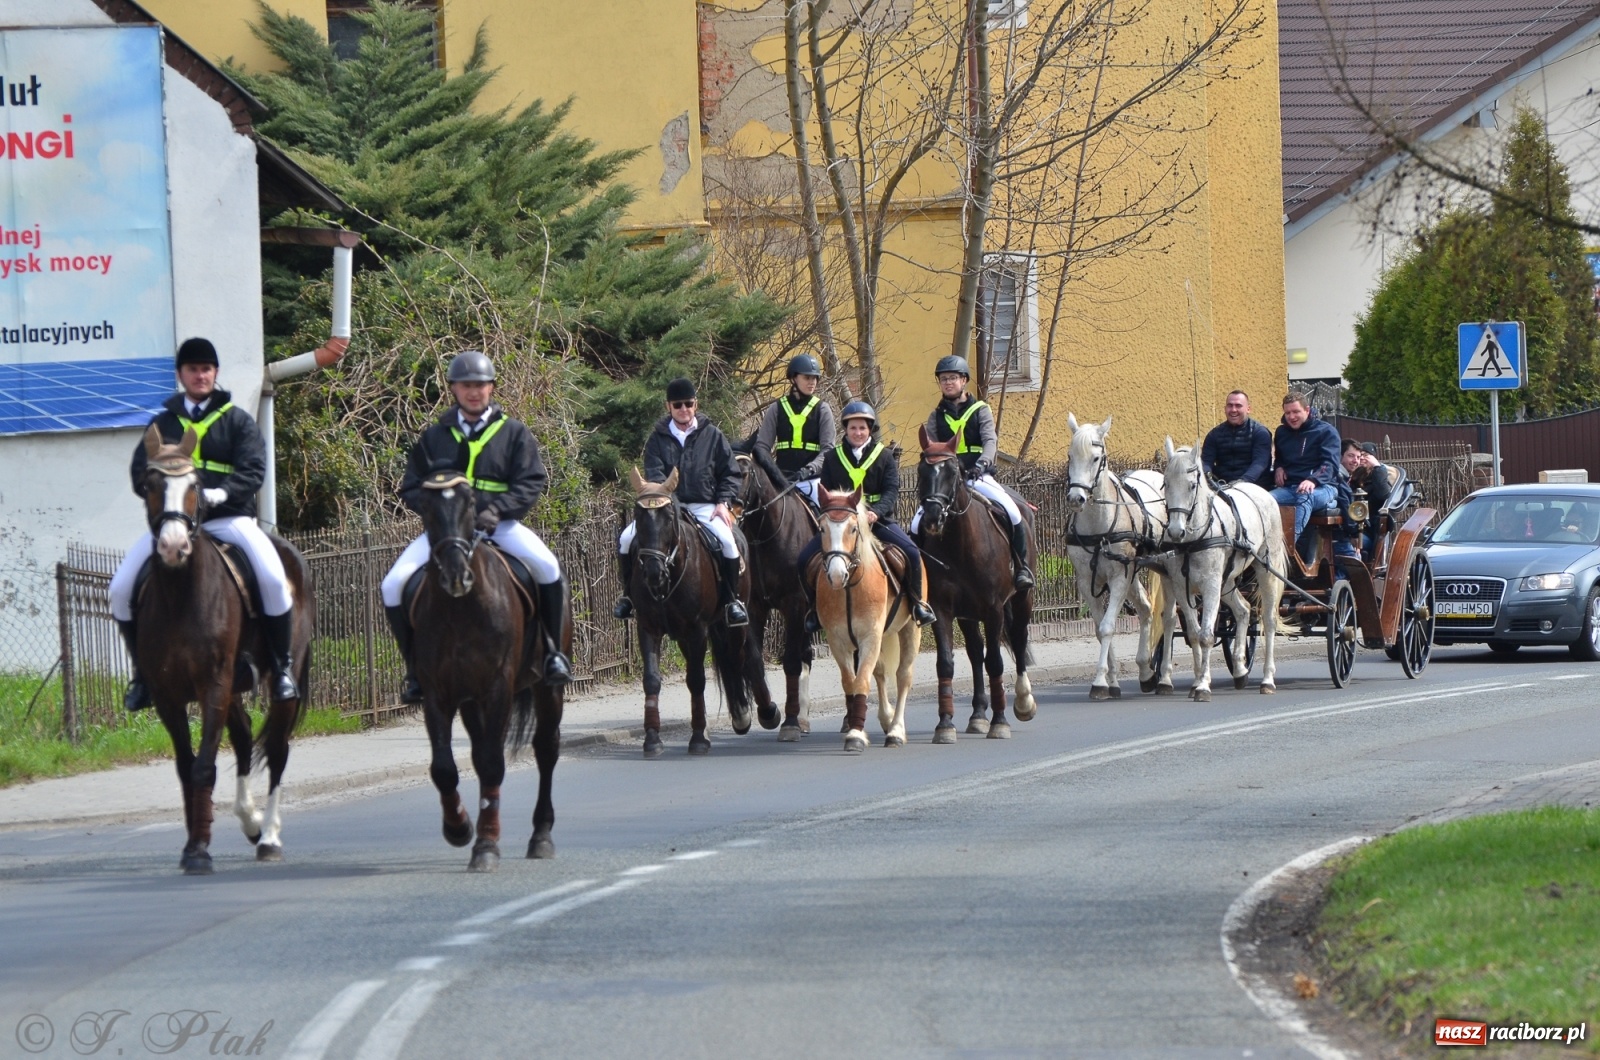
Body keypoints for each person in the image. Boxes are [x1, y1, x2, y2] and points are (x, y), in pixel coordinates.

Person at [110, 336, 315, 710]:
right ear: (181, 375)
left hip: (228, 519)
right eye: (193, 369)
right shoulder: (162, 425)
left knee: (272, 579)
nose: (200, 375)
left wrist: (222, 493)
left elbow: (254, 470)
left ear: (215, 373)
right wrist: (163, 501)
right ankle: (142, 675)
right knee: (120, 588)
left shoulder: (236, 421)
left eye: (206, 369)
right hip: (176, 526)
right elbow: (140, 471)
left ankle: (282, 668)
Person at [381, 350, 573, 702]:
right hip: (447, 533)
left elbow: (531, 482)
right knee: (392, 584)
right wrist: (437, 515)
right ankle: (415, 670)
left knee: (548, 568)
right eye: (466, 386)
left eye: (480, 386)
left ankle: (552, 653)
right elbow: (411, 486)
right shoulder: (434, 437)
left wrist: (498, 510)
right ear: (453, 389)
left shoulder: (513, 433)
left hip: (498, 526)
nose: (474, 392)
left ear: (492, 388)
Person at [614, 377, 749, 627]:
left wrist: (723, 503)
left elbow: (730, 473)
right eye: (678, 405)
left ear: (695, 404)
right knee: (625, 539)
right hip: (665, 507)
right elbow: (654, 476)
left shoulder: (713, 435)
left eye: (688, 403)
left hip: (705, 506)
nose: (684, 409)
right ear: (669, 407)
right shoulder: (657, 439)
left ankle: (732, 602)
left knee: (729, 543)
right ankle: (628, 596)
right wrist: (668, 503)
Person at [796, 401, 936, 632]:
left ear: (869, 429)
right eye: (853, 428)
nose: (858, 433)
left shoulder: (885, 456)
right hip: (842, 525)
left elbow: (891, 491)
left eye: (862, 428)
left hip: (877, 521)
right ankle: (813, 609)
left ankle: (917, 604)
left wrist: (875, 512)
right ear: (846, 430)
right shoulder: (832, 458)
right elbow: (826, 491)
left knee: (911, 552)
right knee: (803, 560)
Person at [912, 355, 1034, 589]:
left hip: (978, 475)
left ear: (964, 381)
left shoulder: (980, 410)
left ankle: (1022, 568)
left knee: (1013, 511)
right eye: (943, 379)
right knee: (916, 524)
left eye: (953, 378)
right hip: (948, 481)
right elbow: (933, 446)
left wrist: (982, 464)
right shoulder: (936, 416)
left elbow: (990, 442)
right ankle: (918, 574)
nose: (948, 383)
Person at [1270, 391, 1345, 561]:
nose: (1292, 416)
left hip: (1324, 488)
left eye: (1296, 412)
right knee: (1265, 500)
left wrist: (1313, 480)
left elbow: (1330, 465)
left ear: (1307, 410)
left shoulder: (1326, 431)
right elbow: (1280, 457)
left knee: (1305, 497)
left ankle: (1282, 551)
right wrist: (1279, 467)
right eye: (1287, 413)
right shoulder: (1281, 432)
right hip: (1290, 488)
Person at [754, 353, 835, 504]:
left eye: (815, 378)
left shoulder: (823, 409)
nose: (812, 382)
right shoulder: (776, 408)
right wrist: (772, 471)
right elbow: (762, 446)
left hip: (811, 480)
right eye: (807, 377)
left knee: (828, 520)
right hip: (780, 481)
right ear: (793, 378)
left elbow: (828, 449)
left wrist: (810, 469)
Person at [1201, 390, 1273, 489]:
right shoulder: (1214, 434)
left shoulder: (1260, 433)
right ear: (1225, 409)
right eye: (1230, 405)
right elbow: (1206, 462)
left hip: (1254, 488)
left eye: (1238, 406)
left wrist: (1241, 482)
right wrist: (1207, 477)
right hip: (1221, 487)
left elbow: (1259, 463)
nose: (1233, 409)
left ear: (1248, 409)